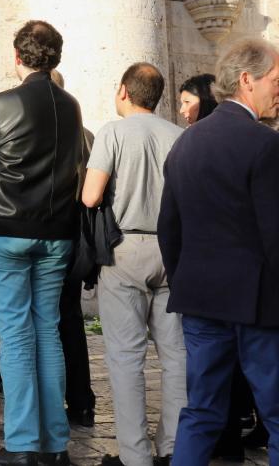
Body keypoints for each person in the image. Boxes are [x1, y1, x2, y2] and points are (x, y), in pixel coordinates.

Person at [0, 20, 83, 466]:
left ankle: (21, 445)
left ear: (17, 57)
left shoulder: (4, 103)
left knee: (15, 337)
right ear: (55, 57)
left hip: (5, 229)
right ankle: (54, 444)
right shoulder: (72, 106)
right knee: (47, 332)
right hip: (55, 232)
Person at [158, 38, 279, 465]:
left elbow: (168, 229)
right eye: (274, 81)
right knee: (277, 413)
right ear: (247, 80)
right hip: (257, 304)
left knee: (202, 411)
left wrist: (185, 277)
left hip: (201, 299)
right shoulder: (264, 144)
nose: (277, 91)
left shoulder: (185, 143)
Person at [82, 63, 186, 466]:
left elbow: (91, 196)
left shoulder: (112, 132)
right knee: (176, 354)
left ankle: (135, 455)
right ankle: (174, 447)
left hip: (125, 245)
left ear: (123, 91)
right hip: (171, 248)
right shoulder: (178, 135)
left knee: (126, 356)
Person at [52, 69, 96, 428]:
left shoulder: (41, 132)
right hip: (75, 238)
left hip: (47, 236)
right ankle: (81, 400)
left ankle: (53, 401)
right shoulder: (87, 136)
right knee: (71, 319)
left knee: (45, 322)